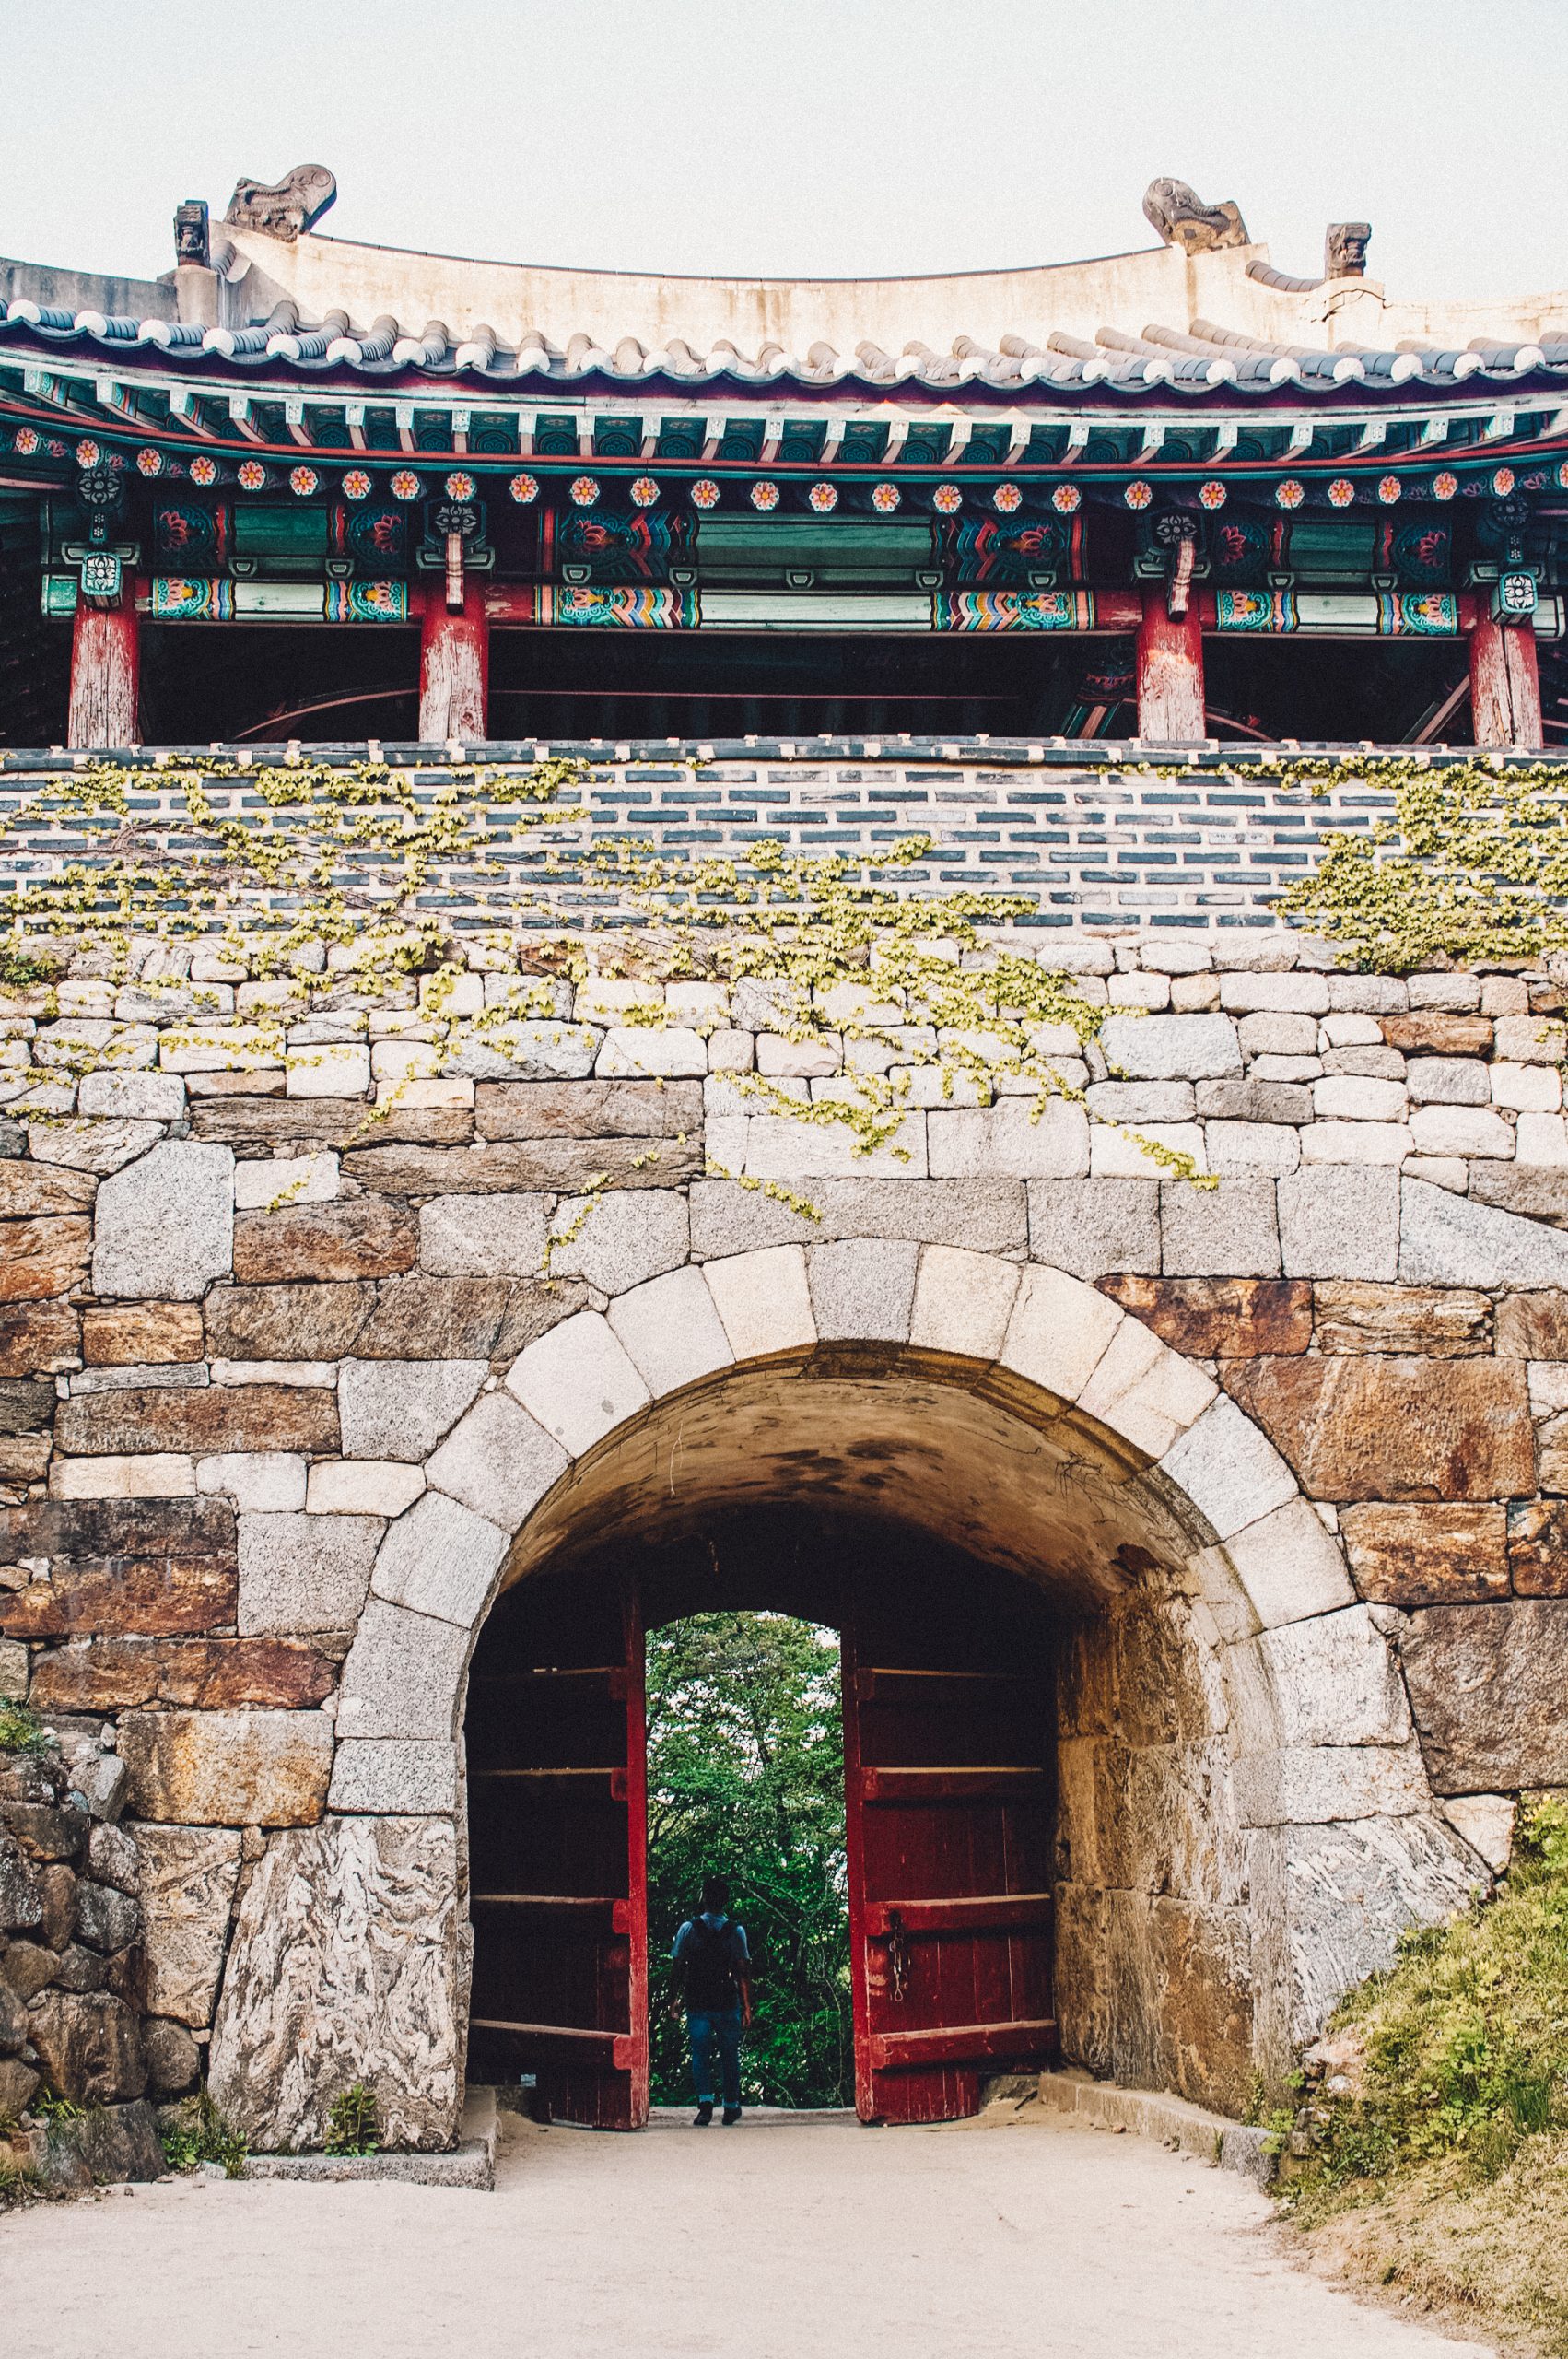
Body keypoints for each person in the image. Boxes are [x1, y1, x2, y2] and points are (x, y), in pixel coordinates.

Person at [669, 1873, 753, 2126]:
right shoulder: (736, 1932)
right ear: (726, 1901)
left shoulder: (688, 1929)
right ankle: (731, 2106)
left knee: (700, 2053)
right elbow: (742, 1972)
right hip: (726, 2001)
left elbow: (677, 1966)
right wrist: (747, 2007)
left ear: (703, 1899)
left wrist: (674, 1999)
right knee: (729, 2054)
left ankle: (705, 2106)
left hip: (698, 2001)